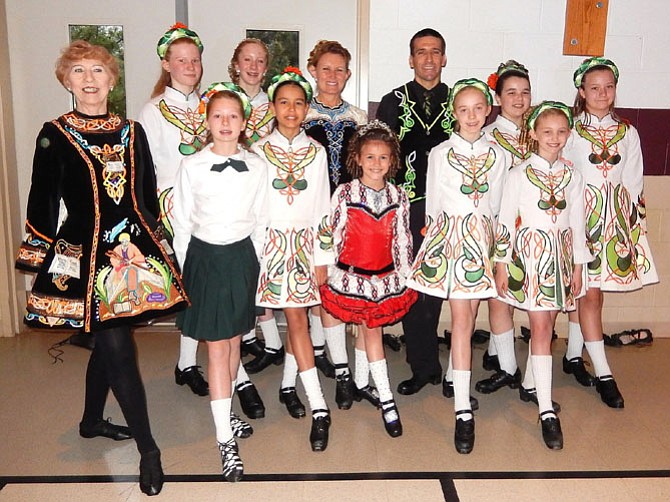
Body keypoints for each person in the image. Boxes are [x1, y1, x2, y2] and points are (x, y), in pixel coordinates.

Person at [15, 40, 190, 496]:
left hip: (131, 253)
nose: (89, 79)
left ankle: (92, 421)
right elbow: (43, 199)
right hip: (83, 253)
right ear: (66, 81)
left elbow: (146, 197)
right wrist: (38, 256)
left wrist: (159, 247)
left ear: (113, 80)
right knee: (117, 347)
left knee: (112, 343)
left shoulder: (133, 132)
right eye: (78, 72)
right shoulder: (52, 132)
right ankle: (149, 449)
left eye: (98, 70)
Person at [172, 82, 268, 482]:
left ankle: (226, 412)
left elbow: (261, 220)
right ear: (207, 121)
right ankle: (224, 439)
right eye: (217, 116)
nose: (225, 123)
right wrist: (185, 271)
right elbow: (180, 219)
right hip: (205, 259)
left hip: (242, 258)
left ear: (244, 122)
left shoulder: (259, 166)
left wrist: (258, 269)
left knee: (233, 344)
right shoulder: (191, 165)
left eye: (233, 116)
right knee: (215, 349)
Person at [407, 78, 506, 454]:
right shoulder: (440, 153)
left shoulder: (498, 154)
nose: (470, 116)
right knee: (461, 323)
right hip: (450, 241)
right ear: (454, 113)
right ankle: (463, 411)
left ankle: (456, 379)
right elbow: (432, 204)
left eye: (477, 108)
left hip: (482, 241)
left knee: (469, 320)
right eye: (462, 109)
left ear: (487, 110)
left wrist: (497, 255)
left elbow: (496, 206)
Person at [494, 101, 591, 449]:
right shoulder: (518, 174)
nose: (554, 138)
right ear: (533, 133)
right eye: (547, 132)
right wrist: (502, 263)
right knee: (539, 327)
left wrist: (579, 265)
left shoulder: (573, 175)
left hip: (562, 258)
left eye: (561, 132)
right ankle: (547, 411)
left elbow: (577, 222)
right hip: (531, 257)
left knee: (548, 327)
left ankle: (531, 386)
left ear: (568, 134)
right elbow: (505, 220)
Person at [562, 57, 658, 408]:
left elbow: (633, 183)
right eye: (594, 87)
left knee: (590, 295)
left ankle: (573, 356)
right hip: (580, 222)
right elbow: (565, 178)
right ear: (582, 91)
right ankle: (604, 373)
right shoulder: (570, 130)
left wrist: (634, 231)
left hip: (613, 224)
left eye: (609, 87)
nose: (602, 93)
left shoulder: (627, 132)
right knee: (588, 296)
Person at [251, 68, 334, 451]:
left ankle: (316, 406)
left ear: (307, 109)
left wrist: (323, 256)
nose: (291, 109)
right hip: (267, 245)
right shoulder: (255, 150)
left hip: (302, 244)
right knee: (291, 317)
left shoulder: (315, 151)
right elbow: (252, 205)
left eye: (299, 103)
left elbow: (321, 208)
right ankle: (296, 391)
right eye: (283, 102)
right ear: (271, 107)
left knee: (297, 317)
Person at [320, 120, 416, 437]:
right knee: (370, 333)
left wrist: (406, 273)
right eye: (370, 157)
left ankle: (362, 383)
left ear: (393, 161)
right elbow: (333, 234)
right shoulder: (345, 193)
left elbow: (402, 238)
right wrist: (324, 268)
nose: (376, 164)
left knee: (367, 331)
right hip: (351, 278)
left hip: (384, 279)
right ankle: (386, 399)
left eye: (383, 157)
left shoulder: (398, 196)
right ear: (357, 159)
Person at [376, 28, 453, 396]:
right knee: (411, 285)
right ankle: (421, 365)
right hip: (406, 208)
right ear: (411, 59)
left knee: (435, 286)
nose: (428, 58)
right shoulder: (393, 101)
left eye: (435, 51)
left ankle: (432, 360)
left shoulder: (458, 101)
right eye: (421, 52)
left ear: (443, 58)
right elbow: (381, 158)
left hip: (446, 209)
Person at [138, 23, 209, 397]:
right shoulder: (153, 110)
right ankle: (188, 362)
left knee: (202, 283)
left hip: (210, 202)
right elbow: (146, 168)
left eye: (194, 60)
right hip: (175, 205)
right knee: (193, 284)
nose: (189, 66)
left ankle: (187, 362)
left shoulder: (209, 105)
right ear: (166, 64)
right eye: (181, 60)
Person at [303, 39, 368, 407]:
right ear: (314, 70)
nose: (332, 76)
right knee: (320, 287)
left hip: (349, 216)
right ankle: (330, 359)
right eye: (325, 68)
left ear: (348, 74)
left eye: (339, 69)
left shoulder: (358, 119)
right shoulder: (300, 114)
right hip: (312, 215)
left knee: (347, 287)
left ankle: (345, 365)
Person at [473, 60, 531, 398]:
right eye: (511, 92)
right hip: (501, 227)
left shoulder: (539, 131)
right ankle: (509, 369)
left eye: (525, 92)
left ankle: (499, 353)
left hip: (536, 228)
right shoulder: (489, 136)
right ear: (497, 97)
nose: (519, 99)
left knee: (517, 295)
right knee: (499, 296)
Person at [228, 38, 285, 377]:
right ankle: (248, 337)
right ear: (236, 64)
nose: (253, 66)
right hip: (235, 196)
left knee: (261, 269)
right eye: (246, 60)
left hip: (269, 196)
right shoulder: (222, 100)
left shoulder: (274, 104)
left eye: (260, 60)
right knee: (240, 271)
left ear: (266, 67)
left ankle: (272, 343)